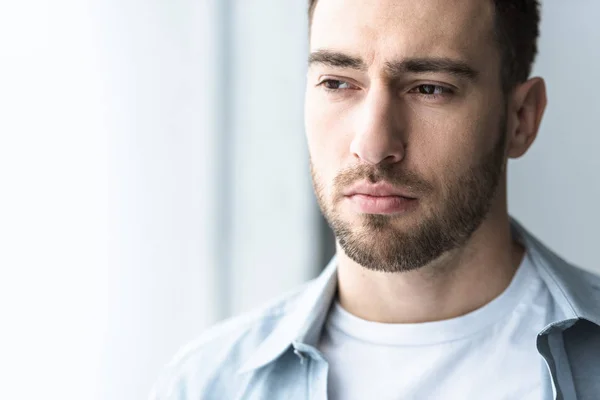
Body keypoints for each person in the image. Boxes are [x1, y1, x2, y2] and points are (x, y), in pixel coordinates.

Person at [151, 0, 600, 399]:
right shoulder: (207, 384)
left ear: (521, 119)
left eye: (429, 88)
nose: (373, 144)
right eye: (337, 83)